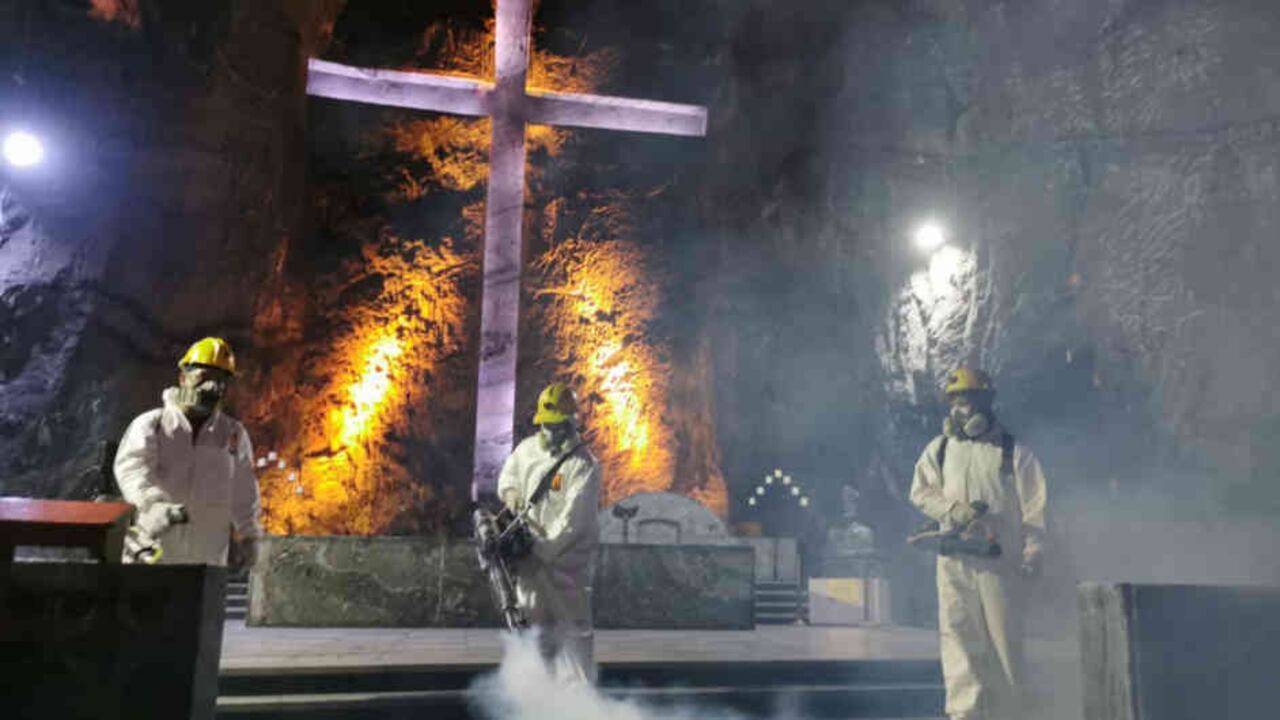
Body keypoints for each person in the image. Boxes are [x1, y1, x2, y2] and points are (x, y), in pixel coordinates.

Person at [909, 367, 1048, 720]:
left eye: (968, 400)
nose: (961, 409)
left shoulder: (1013, 452)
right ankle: (964, 716)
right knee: (957, 644)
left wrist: (1033, 553)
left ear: (986, 402)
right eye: (956, 401)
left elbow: (1036, 509)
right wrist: (955, 512)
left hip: (998, 563)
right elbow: (921, 492)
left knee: (1005, 647)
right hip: (953, 562)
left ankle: (1012, 713)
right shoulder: (939, 450)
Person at [114, 337, 262, 566]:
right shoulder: (153, 425)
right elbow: (132, 470)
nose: (212, 388)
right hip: (153, 555)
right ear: (183, 378)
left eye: (221, 382)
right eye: (204, 378)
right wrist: (154, 503)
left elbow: (244, 489)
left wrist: (250, 534)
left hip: (207, 561)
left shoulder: (233, 434)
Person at [497, 381, 602, 684]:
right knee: (529, 627)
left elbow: (574, 521)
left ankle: (581, 702)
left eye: (559, 426)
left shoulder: (583, 466)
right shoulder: (527, 450)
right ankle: (533, 692)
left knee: (574, 630)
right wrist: (512, 495)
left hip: (566, 566)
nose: (552, 432)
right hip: (530, 562)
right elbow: (508, 477)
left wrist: (540, 547)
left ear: (571, 423)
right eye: (548, 425)